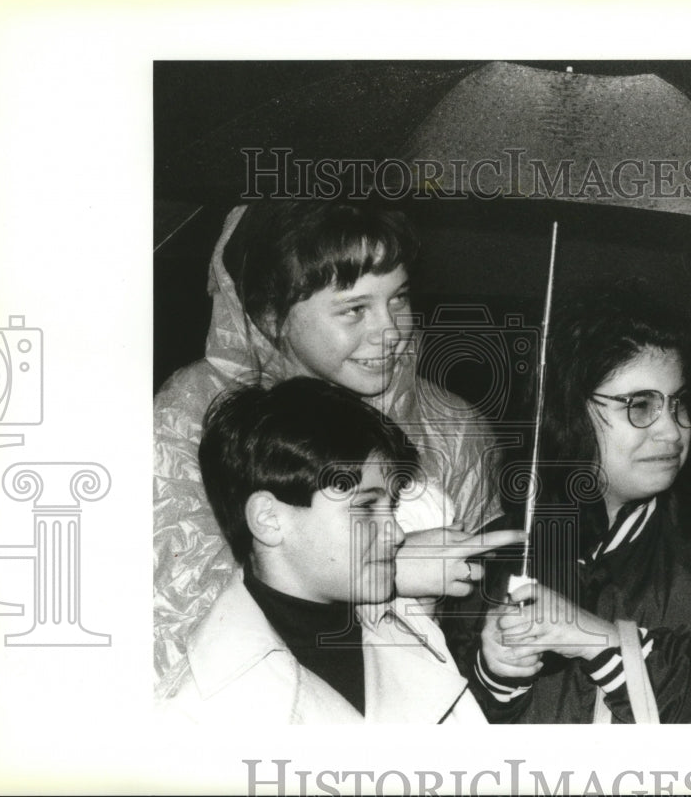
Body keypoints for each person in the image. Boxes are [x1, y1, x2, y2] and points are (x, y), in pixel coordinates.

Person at [153, 199, 518, 684]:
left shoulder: (450, 428)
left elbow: (473, 628)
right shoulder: (192, 416)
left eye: (399, 298)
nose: (390, 331)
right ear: (269, 314)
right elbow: (178, 614)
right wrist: (385, 568)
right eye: (354, 309)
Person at [448, 288, 691, 723]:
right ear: (571, 410)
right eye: (640, 406)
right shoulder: (503, 545)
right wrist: (496, 675)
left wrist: (606, 643)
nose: (673, 433)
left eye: (679, 404)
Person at [158, 377, 487, 724]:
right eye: (364, 507)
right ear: (270, 519)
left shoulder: (409, 631)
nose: (398, 533)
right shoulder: (201, 715)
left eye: (391, 507)